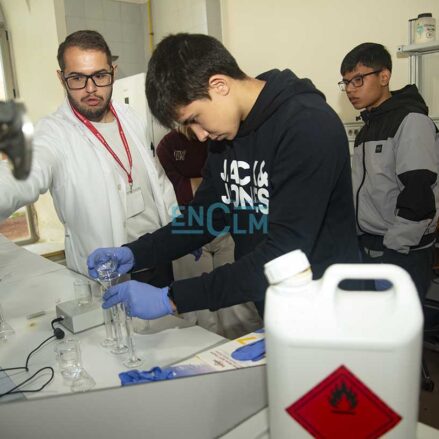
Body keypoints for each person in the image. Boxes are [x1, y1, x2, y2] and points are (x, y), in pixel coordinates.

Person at [88, 33, 360, 322]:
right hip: (275, 306)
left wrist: (172, 298)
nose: (200, 135)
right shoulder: (226, 134)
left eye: (194, 118)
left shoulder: (308, 126)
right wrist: (135, 253)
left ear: (219, 85)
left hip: (329, 309)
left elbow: (283, 254)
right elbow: (204, 217)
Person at [0, 30, 176, 284]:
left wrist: (178, 225)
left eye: (100, 76)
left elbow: (159, 181)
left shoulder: (131, 117)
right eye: (77, 78)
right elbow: (23, 172)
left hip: (158, 261)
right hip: (106, 274)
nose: (91, 89)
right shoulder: (54, 132)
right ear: (61, 78)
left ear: (113, 71)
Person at [339, 42, 439, 301]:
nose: (350, 89)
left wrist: (393, 249)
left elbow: (419, 193)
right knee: (371, 329)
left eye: (358, 79)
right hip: (371, 247)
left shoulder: (411, 121)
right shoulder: (368, 127)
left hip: (399, 252)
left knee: (395, 335)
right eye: (346, 82)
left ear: (384, 76)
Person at [156, 127, 262, 338]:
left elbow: (221, 189)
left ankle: (246, 354)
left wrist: (202, 186)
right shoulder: (167, 146)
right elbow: (176, 191)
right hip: (187, 229)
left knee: (238, 307)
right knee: (198, 314)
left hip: (231, 228)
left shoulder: (222, 137)